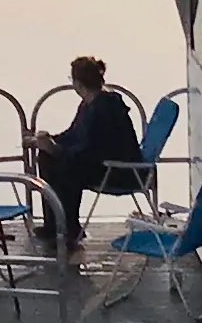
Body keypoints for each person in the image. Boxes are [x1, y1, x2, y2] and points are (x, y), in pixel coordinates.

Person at [33, 55, 145, 258]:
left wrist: (56, 149)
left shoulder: (103, 109)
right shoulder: (90, 104)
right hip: (100, 163)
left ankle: (67, 230)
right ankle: (56, 225)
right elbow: (73, 135)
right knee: (47, 158)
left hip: (118, 171)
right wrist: (48, 142)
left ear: (77, 83)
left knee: (64, 167)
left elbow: (90, 149)